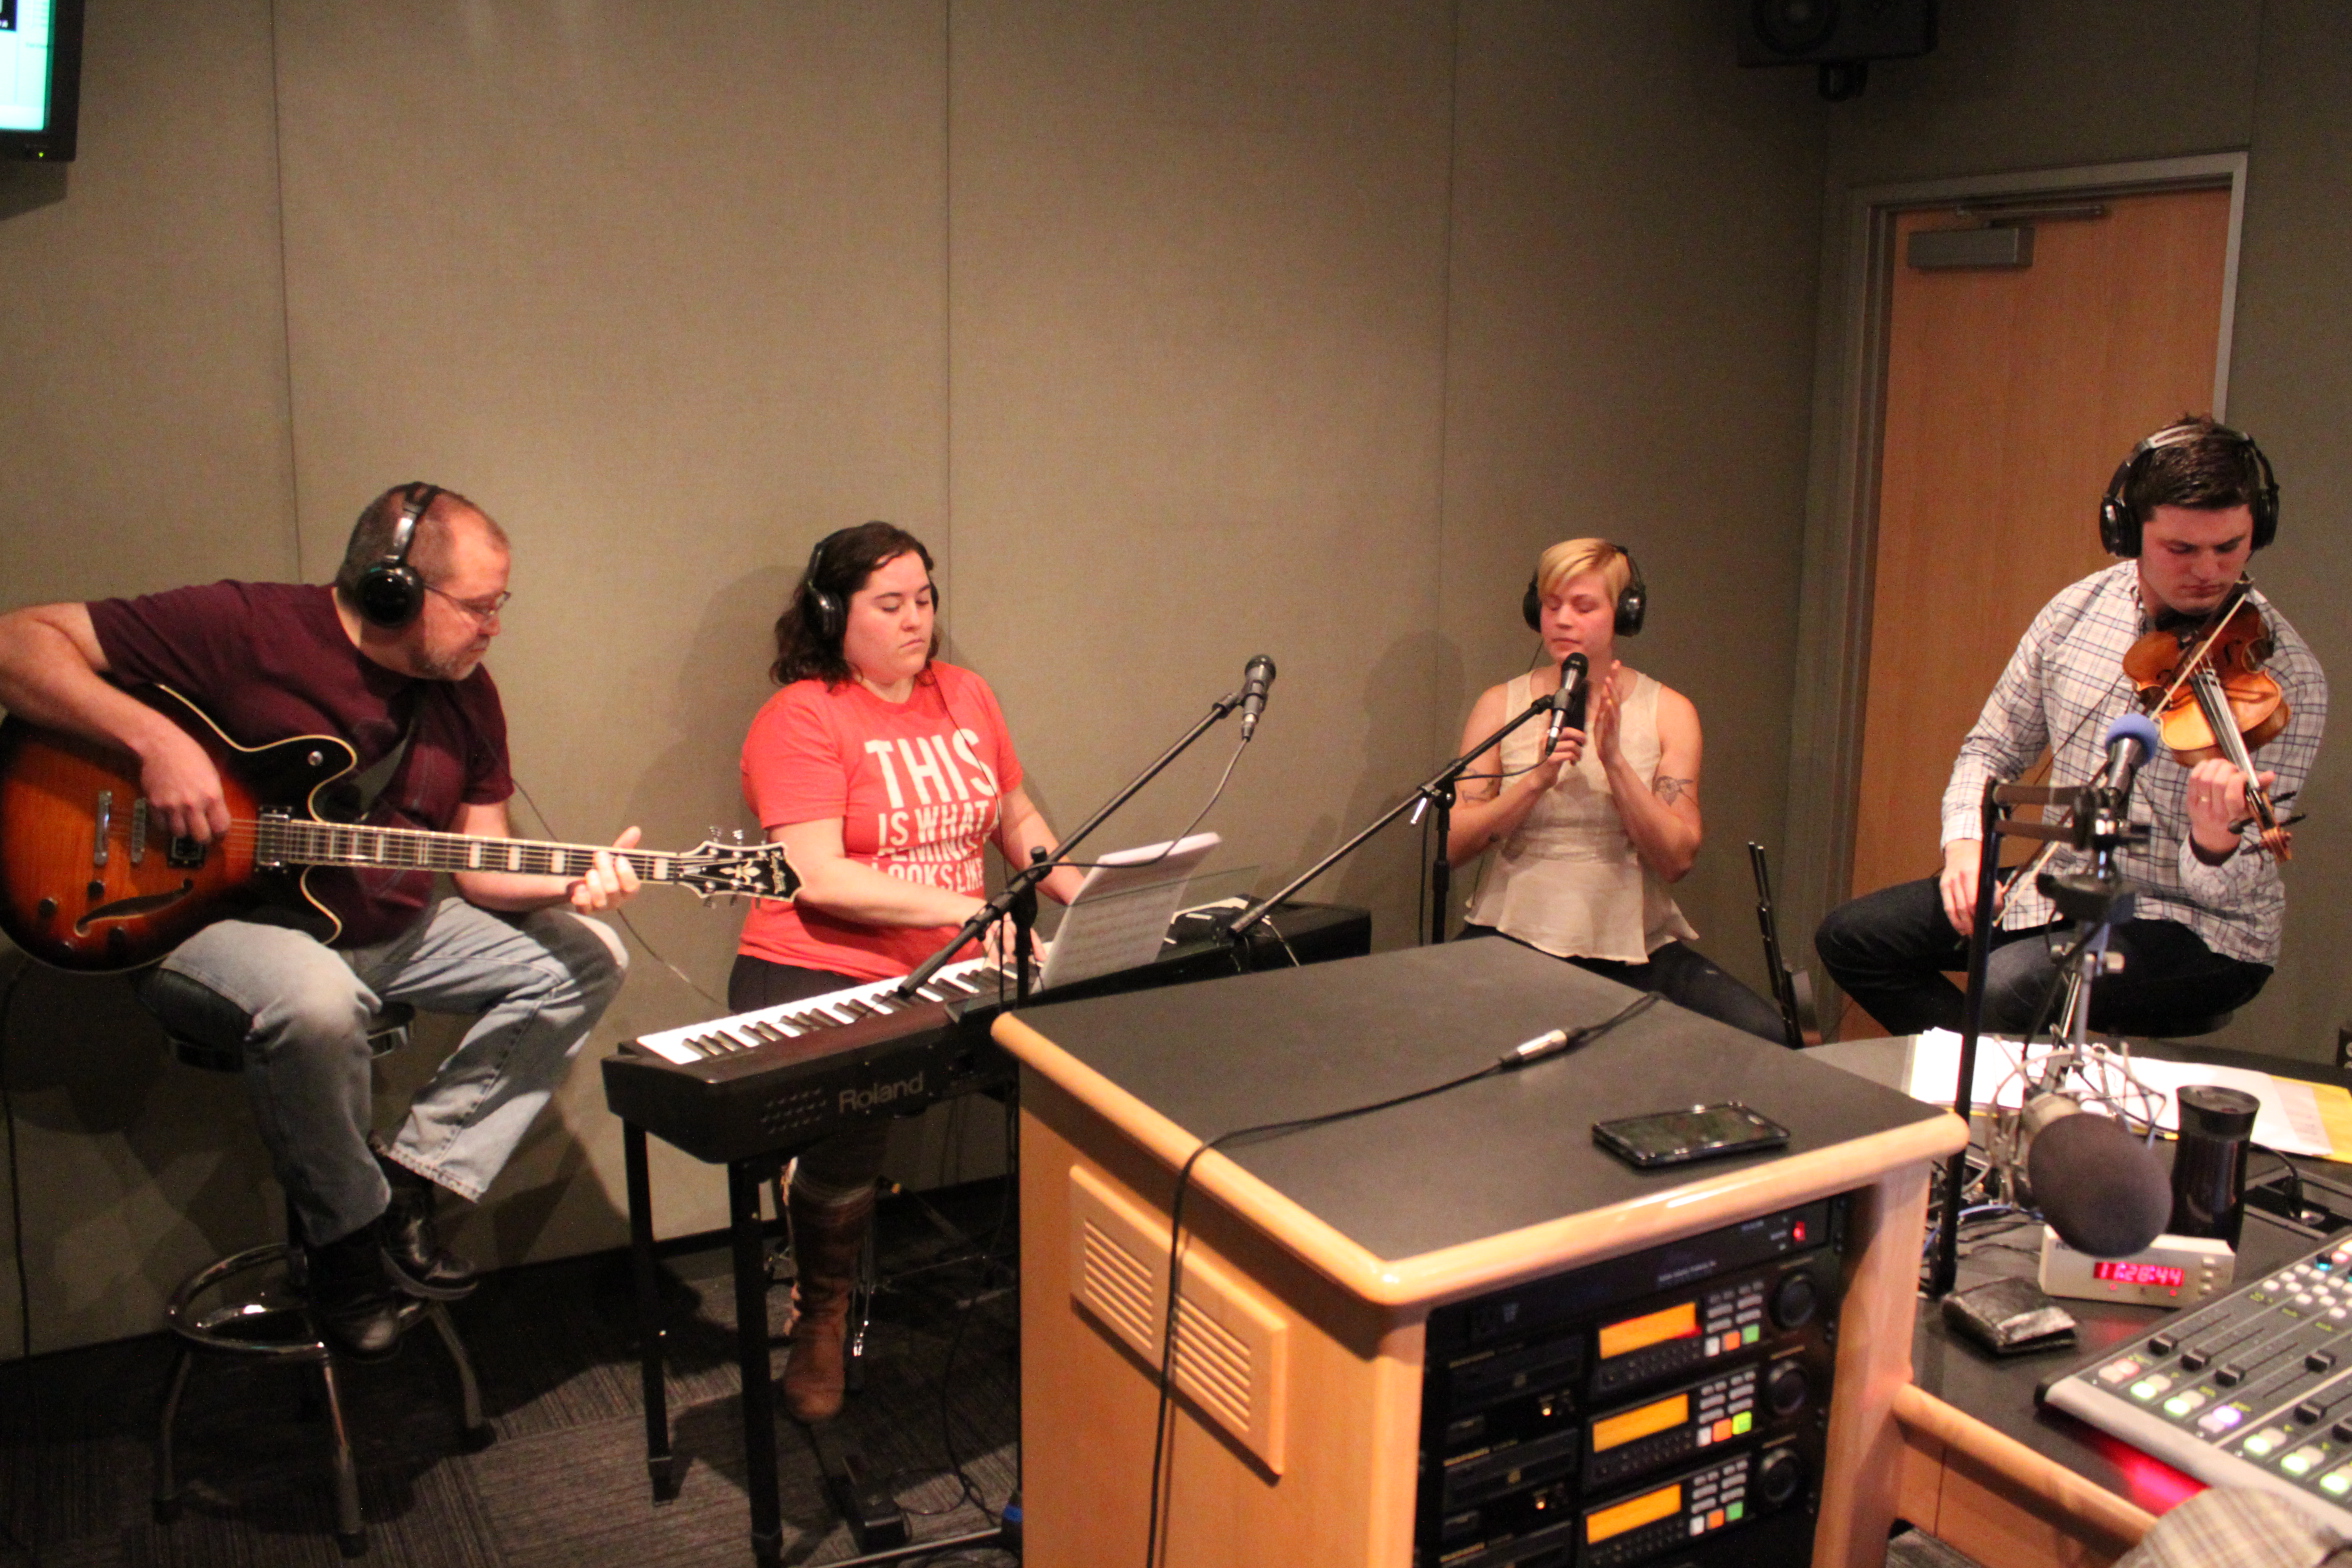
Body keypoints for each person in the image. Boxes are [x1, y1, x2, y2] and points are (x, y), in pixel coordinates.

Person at [0, 483, 642, 1360]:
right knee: (318, 997)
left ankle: (414, 1179)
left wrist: (575, 883)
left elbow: (482, 871)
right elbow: (15, 641)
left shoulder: (466, 695)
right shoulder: (244, 628)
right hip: (207, 928)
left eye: (501, 606)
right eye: (480, 607)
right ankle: (347, 1243)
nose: (495, 626)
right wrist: (158, 744)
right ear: (395, 590)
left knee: (587, 957)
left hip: (389, 932)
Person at [1816, 418, 2328, 1038]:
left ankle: (1996, 1105)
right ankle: (1982, 1086)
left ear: (2257, 531)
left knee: (2011, 983)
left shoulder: (2286, 675)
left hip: (2199, 925)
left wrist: (2213, 842)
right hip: (2068, 883)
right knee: (1855, 939)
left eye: (2230, 547)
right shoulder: (2076, 612)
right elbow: (1992, 748)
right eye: (2182, 549)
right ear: (2127, 532)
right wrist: (1966, 849)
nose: (2209, 571)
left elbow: (2231, 892)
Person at [734, 520, 1082, 1423]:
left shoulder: (964, 695)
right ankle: (821, 1310)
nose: (915, 620)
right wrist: (972, 913)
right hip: (817, 963)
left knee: (1086, 1079)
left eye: (924, 600)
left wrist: (1087, 890)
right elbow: (820, 873)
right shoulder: (801, 715)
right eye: (889, 604)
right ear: (829, 613)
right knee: (853, 1116)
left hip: (954, 959)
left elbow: (1016, 819)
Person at [1447, 538, 1785, 1043]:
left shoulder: (1669, 710)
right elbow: (1452, 844)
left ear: (1625, 614)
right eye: (1551, 604)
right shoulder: (1501, 705)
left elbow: (1676, 858)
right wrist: (1535, 781)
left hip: (1631, 944)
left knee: (1762, 1034)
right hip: (1512, 934)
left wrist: (1615, 763)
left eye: (1584, 606)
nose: (1563, 620)